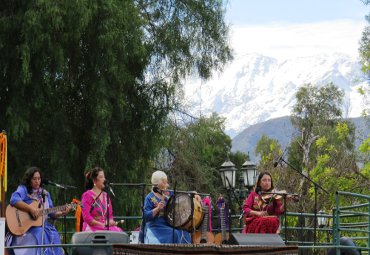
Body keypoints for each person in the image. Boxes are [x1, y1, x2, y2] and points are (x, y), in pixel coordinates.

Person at [6, 166, 70, 255]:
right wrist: (30, 209)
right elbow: (14, 199)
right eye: (34, 179)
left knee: (54, 234)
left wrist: (63, 212)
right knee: (40, 232)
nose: (37, 181)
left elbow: (51, 213)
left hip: (43, 226)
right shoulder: (23, 189)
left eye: (39, 179)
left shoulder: (45, 194)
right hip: (26, 226)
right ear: (29, 180)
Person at [142, 170, 192, 244]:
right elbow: (145, 216)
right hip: (156, 227)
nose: (167, 185)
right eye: (164, 182)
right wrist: (157, 208)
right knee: (174, 234)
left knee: (184, 233)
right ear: (157, 183)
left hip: (168, 225)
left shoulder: (168, 195)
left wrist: (192, 194)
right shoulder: (149, 197)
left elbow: (179, 197)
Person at [81, 167, 123, 232]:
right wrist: (102, 224)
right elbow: (86, 217)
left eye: (104, 177)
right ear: (94, 180)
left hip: (104, 227)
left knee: (119, 233)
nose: (104, 179)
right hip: (92, 227)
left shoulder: (106, 196)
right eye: (101, 177)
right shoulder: (87, 195)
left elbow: (110, 216)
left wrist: (111, 222)